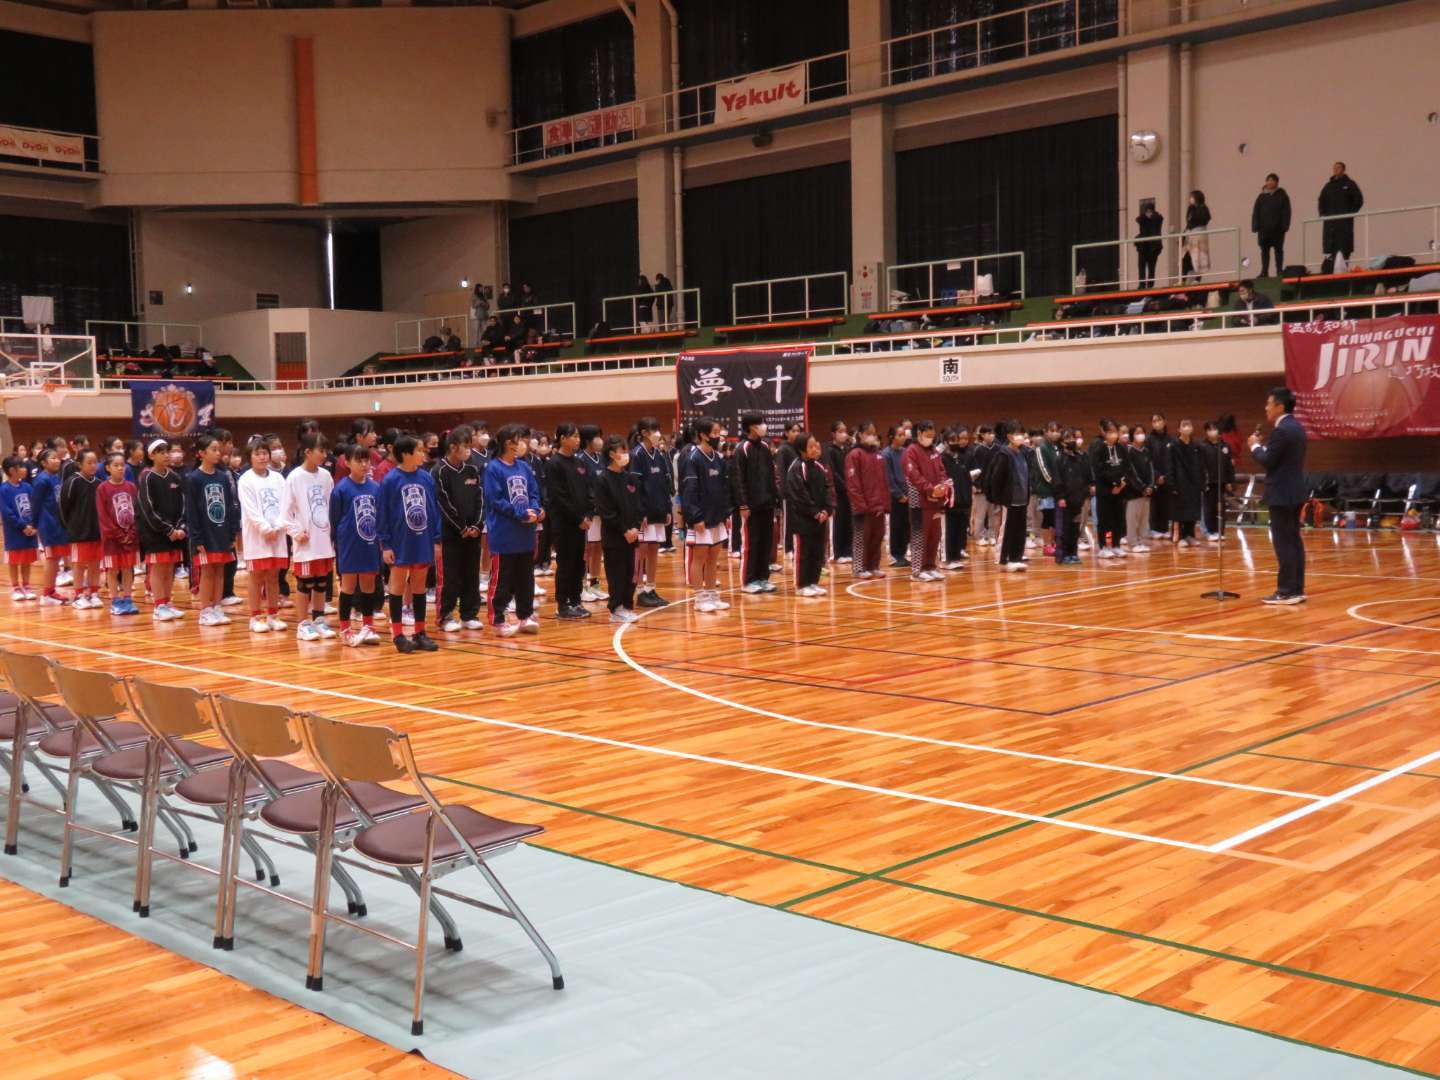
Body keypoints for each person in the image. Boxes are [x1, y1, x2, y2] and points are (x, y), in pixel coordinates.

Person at [379, 434, 441, 652]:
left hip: (422, 539)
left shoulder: (426, 478)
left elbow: (433, 510)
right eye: (419, 450)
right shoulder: (390, 480)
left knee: (419, 587)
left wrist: (436, 539)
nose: (423, 454)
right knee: (397, 587)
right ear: (406, 454)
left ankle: (420, 632)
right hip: (400, 542)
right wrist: (386, 545)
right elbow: (383, 513)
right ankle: (397, 634)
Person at [1249, 387, 1308, 604]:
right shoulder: (1297, 428)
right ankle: (1296, 588)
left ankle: (1286, 591)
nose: (1266, 408)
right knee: (1294, 541)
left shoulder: (1281, 430)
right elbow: (1280, 458)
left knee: (1284, 543)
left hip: (1282, 494)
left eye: (1269, 404)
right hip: (1294, 491)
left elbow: (1268, 461)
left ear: (1280, 406)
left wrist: (1255, 447)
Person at [483, 424, 542, 637]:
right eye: (520, 440)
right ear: (509, 443)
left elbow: (533, 492)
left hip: (525, 534)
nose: (524, 444)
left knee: (525, 578)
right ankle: (498, 619)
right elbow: (495, 500)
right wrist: (520, 513)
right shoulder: (493, 469)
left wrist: (535, 510)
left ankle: (525, 616)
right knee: (502, 579)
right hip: (504, 534)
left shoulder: (524, 467)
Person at [284, 430, 337, 641]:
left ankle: (319, 620)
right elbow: (285, 513)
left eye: (326, 451)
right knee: (305, 584)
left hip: (324, 540)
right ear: (307, 452)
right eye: (320, 451)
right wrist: (296, 532)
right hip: (306, 542)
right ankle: (302, 624)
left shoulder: (326, 476)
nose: (324, 455)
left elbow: (330, 506)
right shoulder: (294, 477)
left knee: (322, 582)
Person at [330, 443, 383, 647]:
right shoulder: (341, 489)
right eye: (358, 460)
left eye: (366, 460)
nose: (364, 464)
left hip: (370, 543)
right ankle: (345, 629)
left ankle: (368, 627)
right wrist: (338, 544)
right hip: (349, 545)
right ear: (347, 463)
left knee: (369, 585)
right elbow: (335, 520)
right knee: (349, 586)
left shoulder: (375, 488)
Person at [185, 434, 239, 627]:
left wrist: (232, 532)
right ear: (201, 453)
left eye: (218, 449)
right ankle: (205, 611)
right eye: (213, 449)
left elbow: (230, 506)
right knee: (207, 572)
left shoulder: (223, 477)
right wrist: (197, 538)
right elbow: (192, 511)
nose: (218, 453)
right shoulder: (194, 479)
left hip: (222, 532)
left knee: (219, 571)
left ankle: (217, 607)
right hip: (205, 534)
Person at [679, 417, 732, 614]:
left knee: (713, 558)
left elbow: (724, 488)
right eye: (715, 433)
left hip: (717, 517)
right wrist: (695, 517)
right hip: (701, 518)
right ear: (703, 435)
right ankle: (699, 598)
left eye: (719, 432)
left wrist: (725, 513)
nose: (719, 436)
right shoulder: (692, 458)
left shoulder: (718, 458)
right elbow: (688, 491)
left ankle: (711, 594)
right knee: (699, 558)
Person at [434, 425, 484, 632]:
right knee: (450, 577)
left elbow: (480, 499)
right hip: (451, 535)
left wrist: (476, 526)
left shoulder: (473, 469)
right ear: (453, 447)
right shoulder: (439, 471)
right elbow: (443, 503)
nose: (469, 451)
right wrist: (461, 527)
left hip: (473, 534)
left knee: (471, 574)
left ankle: (469, 614)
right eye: (465, 446)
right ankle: (445, 616)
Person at [237, 437, 289, 634]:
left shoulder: (278, 479)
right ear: (250, 457)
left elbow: (286, 504)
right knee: (257, 576)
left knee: (274, 576)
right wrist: (266, 529)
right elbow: (250, 510)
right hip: (257, 536)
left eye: (265, 453)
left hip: (277, 534)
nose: (262, 457)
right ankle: (255, 617)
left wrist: (279, 526)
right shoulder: (246, 480)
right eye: (257, 454)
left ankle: (273, 615)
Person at [136, 438, 188, 622]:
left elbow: (183, 505)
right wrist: (168, 530)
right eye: (162, 452)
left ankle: (167, 602)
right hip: (155, 533)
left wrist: (180, 527)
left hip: (175, 533)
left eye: (168, 452)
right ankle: (159, 606)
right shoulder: (147, 477)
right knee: (158, 569)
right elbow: (147, 509)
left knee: (170, 568)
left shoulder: (175, 478)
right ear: (152, 456)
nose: (166, 455)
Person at [594, 433, 642, 622]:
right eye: (622, 450)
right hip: (615, 536)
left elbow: (637, 506)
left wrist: (635, 527)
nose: (626, 454)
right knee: (617, 573)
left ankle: (627, 605)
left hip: (633, 535)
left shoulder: (630, 478)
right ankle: (616, 608)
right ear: (612, 454)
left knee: (631, 573)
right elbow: (606, 511)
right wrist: (624, 530)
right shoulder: (603, 480)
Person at [547, 422, 591, 621]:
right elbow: (559, 497)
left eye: (578, 436)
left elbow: (588, 490)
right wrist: (578, 518)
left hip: (581, 523)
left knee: (578, 564)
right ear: (562, 438)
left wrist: (588, 514)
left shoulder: (579, 462)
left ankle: (575, 600)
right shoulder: (554, 464)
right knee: (565, 564)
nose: (577, 440)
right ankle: (563, 604)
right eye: (574, 436)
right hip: (564, 524)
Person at [732, 413, 778, 594]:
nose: (763, 426)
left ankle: (763, 577)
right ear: (751, 427)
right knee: (751, 543)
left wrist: (774, 498)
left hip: (767, 504)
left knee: (766, 542)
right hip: (751, 507)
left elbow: (771, 476)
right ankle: (748, 580)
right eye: (760, 423)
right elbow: (738, 479)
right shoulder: (742, 449)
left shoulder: (765, 447)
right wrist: (743, 504)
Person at [629, 417, 672, 607]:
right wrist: (640, 513)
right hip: (644, 513)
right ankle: (639, 591)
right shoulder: (636, 454)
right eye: (653, 430)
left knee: (654, 550)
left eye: (658, 429)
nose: (657, 434)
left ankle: (651, 588)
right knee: (642, 551)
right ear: (643, 433)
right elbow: (635, 487)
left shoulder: (660, 455)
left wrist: (667, 509)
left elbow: (664, 484)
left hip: (659, 510)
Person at [784, 432, 834, 596]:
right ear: (801, 449)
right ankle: (802, 585)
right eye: (810, 446)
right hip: (802, 520)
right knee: (803, 553)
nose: (815, 449)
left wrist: (826, 509)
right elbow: (799, 495)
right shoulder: (797, 468)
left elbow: (827, 489)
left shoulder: (819, 467)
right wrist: (814, 512)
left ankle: (813, 582)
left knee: (817, 551)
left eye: (815, 445)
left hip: (820, 519)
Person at [901, 420, 950, 581]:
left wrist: (942, 485)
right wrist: (930, 489)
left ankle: (930, 566)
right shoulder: (911, 451)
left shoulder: (934, 451)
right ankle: (917, 570)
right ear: (919, 434)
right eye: (928, 435)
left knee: (934, 535)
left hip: (935, 501)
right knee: (919, 536)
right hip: (919, 501)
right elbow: (914, 475)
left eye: (932, 436)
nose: (930, 438)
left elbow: (942, 470)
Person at [96, 452, 140, 616]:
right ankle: (115, 600)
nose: (120, 468)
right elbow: (103, 516)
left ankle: (128, 599)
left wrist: (132, 532)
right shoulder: (102, 488)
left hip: (131, 537)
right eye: (116, 465)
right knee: (113, 570)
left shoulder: (131, 487)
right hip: (112, 539)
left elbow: (136, 511)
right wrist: (118, 535)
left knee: (128, 568)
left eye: (122, 465)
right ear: (108, 468)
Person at [60, 449, 103, 608]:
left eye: (95, 462)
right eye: (89, 462)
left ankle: (93, 593)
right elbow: (63, 507)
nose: (93, 466)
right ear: (79, 464)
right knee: (79, 564)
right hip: (78, 533)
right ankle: (78, 595)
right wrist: (70, 527)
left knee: (95, 564)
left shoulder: (99, 483)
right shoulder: (72, 482)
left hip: (96, 532)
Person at [985, 421, 1030, 572]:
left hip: (1022, 500)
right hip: (1009, 500)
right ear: (1010, 436)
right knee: (1007, 530)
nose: (1021, 437)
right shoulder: (1004, 455)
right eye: (1017, 434)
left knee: (1019, 531)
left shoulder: (1023, 453)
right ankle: (1003, 559)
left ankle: (1016, 558)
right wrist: (998, 499)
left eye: (1022, 433)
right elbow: (996, 479)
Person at [844, 421, 888, 579]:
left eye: (874, 433)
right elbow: (853, 484)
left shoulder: (879, 455)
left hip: (878, 506)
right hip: (863, 507)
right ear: (861, 435)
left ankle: (873, 566)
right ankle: (859, 568)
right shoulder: (854, 455)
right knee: (861, 538)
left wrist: (884, 504)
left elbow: (884, 481)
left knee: (877, 537)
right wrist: (860, 505)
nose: (872, 436)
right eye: (868, 433)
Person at [31, 448, 69, 604]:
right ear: (43, 463)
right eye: (52, 458)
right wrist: (34, 524)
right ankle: (46, 594)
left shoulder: (56, 477)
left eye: (57, 458)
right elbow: (35, 504)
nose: (57, 460)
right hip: (48, 524)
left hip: (59, 523)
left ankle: (51, 591)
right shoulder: (41, 480)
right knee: (52, 558)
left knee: (56, 558)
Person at [0, 456, 39, 600]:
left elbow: (35, 505)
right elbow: (7, 512)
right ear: (12, 470)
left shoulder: (27, 487)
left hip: (30, 530)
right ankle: (16, 587)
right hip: (14, 532)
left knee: (26, 560)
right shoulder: (3, 489)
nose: (25, 469)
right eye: (21, 467)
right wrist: (22, 525)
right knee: (14, 561)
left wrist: (33, 525)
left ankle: (27, 586)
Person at [577, 425, 607, 603]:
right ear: (588, 440)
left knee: (598, 548)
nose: (600, 440)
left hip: (602, 512)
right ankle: (582, 587)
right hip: (588, 512)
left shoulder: (601, 458)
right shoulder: (580, 460)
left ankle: (595, 584)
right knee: (587, 549)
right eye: (597, 436)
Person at [1090, 420, 1128, 558]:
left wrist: (1121, 483)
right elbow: (1100, 470)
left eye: (1115, 432)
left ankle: (1116, 545)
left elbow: (1127, 467)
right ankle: (1103, 547)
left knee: (1118, 518)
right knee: (1104, 519)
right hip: (1105, 490)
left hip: (1120, 490)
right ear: (1104, 433)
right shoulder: (1099, 449)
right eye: (1110, 432)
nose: (1113, 435)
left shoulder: (1122, 448)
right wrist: (1114, 483)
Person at [1054, 429, 1092, 566]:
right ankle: (1063, 555)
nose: (1071, 441)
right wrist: (1061, 497)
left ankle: (1073, 553)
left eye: (1072, 438)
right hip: (1065, 500)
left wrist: (1085, 492)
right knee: (1064, 529)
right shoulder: (1059, 459)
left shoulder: (1079, 458)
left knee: (1075, 528)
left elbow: (1085, 476)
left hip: (1078, 499)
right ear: (1062, 442)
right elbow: (1057, 480)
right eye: (1068, 438)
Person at [1318, 162, 1364, 274]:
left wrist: (1349, 213)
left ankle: (1343, 276)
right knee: (1330, 253)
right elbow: (1321, 200)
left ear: (1343, 170)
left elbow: (1359, 200)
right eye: (1334, 168)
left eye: (1338, 168)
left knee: (1344, 252)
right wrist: (1323, 214)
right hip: (1330, 227)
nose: (1335, 170)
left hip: (1344, 225)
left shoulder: (1350, 184)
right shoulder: (1328, 186)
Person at [1167, 419, 1204, 546]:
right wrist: (1172, 484)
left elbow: (1200, 465)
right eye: (1184, 425)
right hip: (1179, 482)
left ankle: (1190, 535)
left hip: (1193, 483)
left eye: (1189, 425)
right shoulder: (1173, 446)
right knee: (1180, 511)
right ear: (1179, 429)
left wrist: (1201, 481)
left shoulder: (1196, 446)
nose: (1187, 427)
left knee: (1192, 509)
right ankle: (1181, 536)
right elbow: (1170, 466)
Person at [941, 426, 972, 569]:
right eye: (952, 440)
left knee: (960, 530)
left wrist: (967, 497)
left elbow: (966, 479)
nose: (956, 443)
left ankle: (956, 557)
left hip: (963, 501)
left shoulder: (962, 458)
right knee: (950, 530)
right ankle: (947, 559)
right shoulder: (942, 459)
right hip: (949, 502)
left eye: (957, 440)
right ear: (945, 442)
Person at [1199, 420, 1235, 542]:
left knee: (1221, 508)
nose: (1212, 431)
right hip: (1208, 483)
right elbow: (1200, 466)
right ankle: (1211, 531)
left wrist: (1229, 481)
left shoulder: (1225, 446)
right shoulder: (1202, 446)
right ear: (1206, 432)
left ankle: (1220, 531)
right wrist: (1203, 482)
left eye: (1214, 429)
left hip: (1222, 482)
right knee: (1209, 508)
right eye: (1210, 429)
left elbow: (1229, 465)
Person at [1251, 173, 1292, 278]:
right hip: (1264, 230)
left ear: (1276, 182)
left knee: (1278, 250)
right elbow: (1256, 212)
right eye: (1268, 180)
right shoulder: (1261, 197)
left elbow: (1287, 212)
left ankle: (1279, 271)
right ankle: (1264, 271)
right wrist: (1255, 226)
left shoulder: (1282, 196)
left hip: (1278, 229)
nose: (1269, 182)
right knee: (1264, 251)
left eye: (1272, 180)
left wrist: (1285, 225)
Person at [824, 421, 853, 566]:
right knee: (838, 523)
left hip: (849, 492)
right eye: (840, 431)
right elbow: (833, 472)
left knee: (849, 521)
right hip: (838, 492)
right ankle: (838, 552)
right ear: (833, 434)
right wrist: (844, 485)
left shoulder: (847, 450)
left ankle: (848, 551)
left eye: (845, 431)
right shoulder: (829, 451)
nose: (844, 434)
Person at [882, 424, 911, 567]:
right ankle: (895, 555)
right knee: (896, 526)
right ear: (891, 437)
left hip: (908, 494)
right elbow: (888, 477)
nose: (903, 437)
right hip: (894, 497)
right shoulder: (886, 454)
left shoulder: (906, 452)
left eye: (903, 434)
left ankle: (902, 554)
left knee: (906, 525)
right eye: (899, 435)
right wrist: (898, 494)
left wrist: (909, 492)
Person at [1123, 426, 1155, 553]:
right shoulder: (1129, 451)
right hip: (1134, 492)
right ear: (1132, 435)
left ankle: (1141, 541)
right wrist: (1142, 487)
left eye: (1142, 432)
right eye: (1137, 432)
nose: (1140, 435)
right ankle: (1133, 542)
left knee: (1144, 519)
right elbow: (1131, 473)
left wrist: (1151, 486)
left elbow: (1151, 470)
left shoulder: (1146, 451)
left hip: (1147, 492)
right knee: (1132, 519)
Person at [967, 425, 997, 547]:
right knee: (980, 514)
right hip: (981, 488)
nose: (991, 435)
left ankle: (992, 535)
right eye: (988, 433)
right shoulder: (977, 450)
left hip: (994, 488)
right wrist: (975, 484)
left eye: (992, 433)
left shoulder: (998, 449)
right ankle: (979, 536)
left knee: (993, 514)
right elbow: (973, 470)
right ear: (983, 435)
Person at [1146, 414, 1172, 540]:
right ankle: (1154, 529)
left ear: (1164, 421)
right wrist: (1156, 476)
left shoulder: (1170, 440)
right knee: (1154, 503)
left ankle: (1164, 528)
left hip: (1167, 477)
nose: (1157, 423)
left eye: (1159, 420)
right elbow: (1148, 460)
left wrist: (1166, 476)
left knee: (1166, 503)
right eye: (1154, 421)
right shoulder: (1149, 440)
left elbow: (1172, 460)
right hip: (1154, 477)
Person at [1181, 191, 1211, 283]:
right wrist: (1183, 236)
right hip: (1189, 234)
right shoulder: (1190, 208)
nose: (1190, 199)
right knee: (1185, 257)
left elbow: (1205, 219)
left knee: (1199, 256)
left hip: (1199, 235)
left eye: (1192, 197)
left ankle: (1197, 279)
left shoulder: (1203, 208)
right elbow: (1188, 223)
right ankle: (1182, 280)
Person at [1135, 203, 1164, 290]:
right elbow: (1138, 219)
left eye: (1150, 211)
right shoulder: (1142, 219)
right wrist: (1146, 216)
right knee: (1141, 265)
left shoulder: (1157, 218)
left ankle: (1150, 285)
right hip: (1143, 246)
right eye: (1146, 211)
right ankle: (1142, 284)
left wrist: (1152, 216)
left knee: (1151, 266)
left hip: (1153, 247)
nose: (1148, 213)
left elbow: (1159, 219)